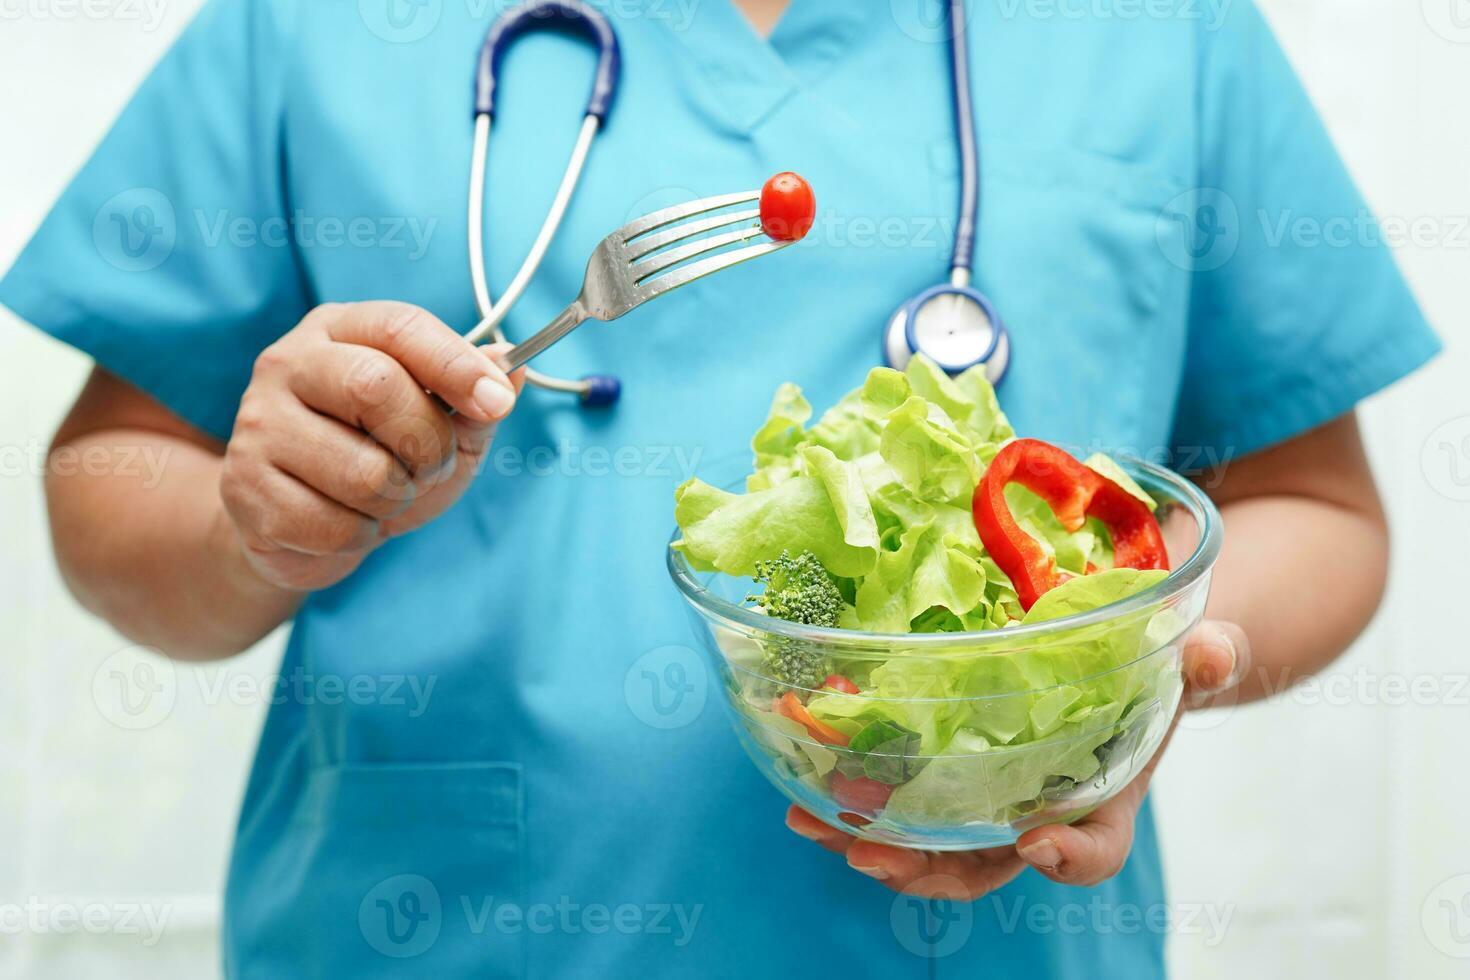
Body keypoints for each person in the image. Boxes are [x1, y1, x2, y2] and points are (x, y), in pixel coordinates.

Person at [0, 0, 1439, 976]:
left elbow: (1317, 502)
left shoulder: (1158, 30)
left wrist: (1153, 676)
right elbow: (111, 489)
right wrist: (259, 528)